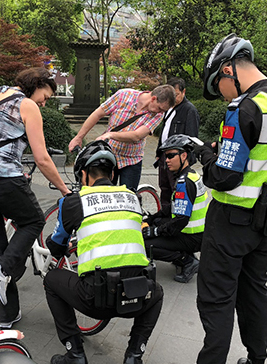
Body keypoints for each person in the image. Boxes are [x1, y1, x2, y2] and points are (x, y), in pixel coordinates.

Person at [167, 34, 267, 364]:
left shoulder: (244, 107)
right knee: (254, 291)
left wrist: (206, 156)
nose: (222, 93)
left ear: (228, 69)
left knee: (216, 298)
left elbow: (223, 177)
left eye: (219, 84)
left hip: (231, 220)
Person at [0, 67, 71, 329]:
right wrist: (64, 189)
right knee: (33, 221)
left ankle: (6, 317)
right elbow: (42, 158)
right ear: (37, 84)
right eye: (45, 96)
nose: (44, 102)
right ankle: (3, 271)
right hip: (1, 181)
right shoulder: (27, 104)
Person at [43, 140, 164, 364]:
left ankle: (74, 353)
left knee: (51, 280)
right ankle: (134, 355)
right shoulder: (133, 198)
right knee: (158, 293)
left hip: (95, 299)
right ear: (113, 174)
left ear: (83, 174)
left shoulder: (74, 201)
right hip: (137, 296)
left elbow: (55, 247)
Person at [68, 85, 176, 191]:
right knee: (103, 193)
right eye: (160, 108)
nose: (160, 112)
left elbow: (137, 135)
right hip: (109, 155)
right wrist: (79, 137)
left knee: (129, 196)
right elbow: (98, 114)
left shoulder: (158, 115)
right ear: (153, 99)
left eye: (163, 111)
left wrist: (111, 135)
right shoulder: (123, 95)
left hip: (132, 159)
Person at [142, 134, 209, 283]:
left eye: (171, 155)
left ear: (184, 156)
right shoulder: (191, 175)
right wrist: (153, 218)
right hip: (197, 232)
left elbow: (180, 221)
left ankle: (187, 261)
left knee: (146, 245)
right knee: (158, 222)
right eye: (166, 156)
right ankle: (185, 254)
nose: (167, 160)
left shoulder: (185, 183)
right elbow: (173, 208)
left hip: (192, 236)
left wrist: (155, 231)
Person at [155, 78, 200, 210]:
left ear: (183, 92)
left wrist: (185, 161)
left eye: (176, 95)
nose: (173, 98)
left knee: (176, 189)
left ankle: (176, 215)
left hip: (178, 158)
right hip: (164, 156)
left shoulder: (189, 110)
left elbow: (191, 138)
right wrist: (158, 152)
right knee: (164, 188)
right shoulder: (168, 108)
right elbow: (164, 132)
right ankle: (165, 214)